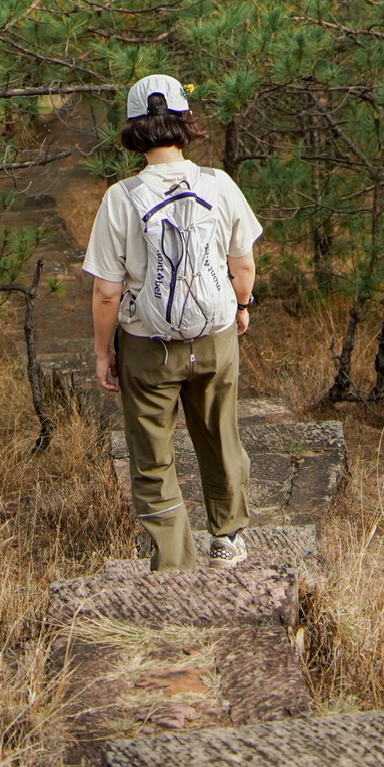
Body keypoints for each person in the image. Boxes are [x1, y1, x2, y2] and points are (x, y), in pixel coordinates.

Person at [83, 73, 262, 571]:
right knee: (221, 437)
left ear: (133, 129)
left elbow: (106, 291)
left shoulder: (120, 197)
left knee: (152, 455)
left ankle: (174, 563)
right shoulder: (219, 184)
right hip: (214, 337)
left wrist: (103, 352)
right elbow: (243, 264)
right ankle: (227, 538)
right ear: (185, 121)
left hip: (147, 346)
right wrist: (241, 306)